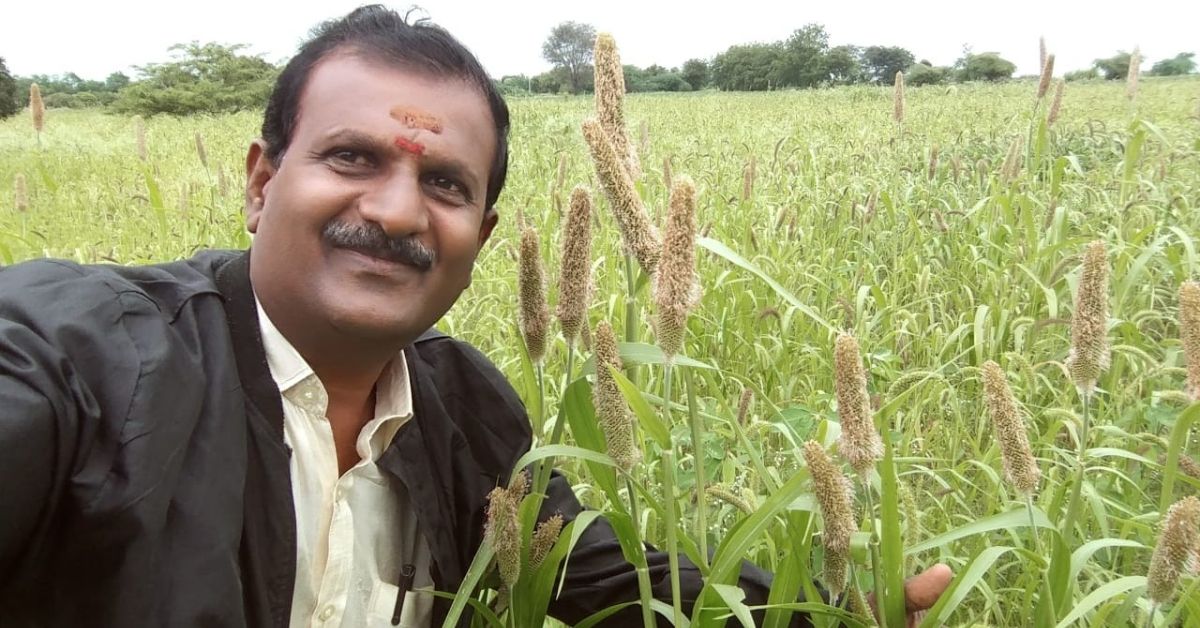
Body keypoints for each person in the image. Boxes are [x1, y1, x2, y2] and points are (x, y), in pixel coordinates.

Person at [0, 6, 950, 627]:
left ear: (482, 236)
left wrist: (822, 605)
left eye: (444, 183)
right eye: (351, 158)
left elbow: (588, 576)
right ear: (261, 181)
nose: (398, 210)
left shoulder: (463, 410)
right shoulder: (95, 359)